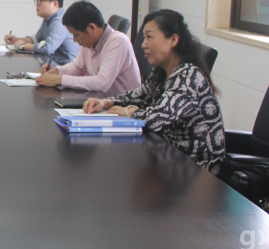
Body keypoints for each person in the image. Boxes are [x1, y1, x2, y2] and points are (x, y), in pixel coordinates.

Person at [82, 9, 226, 175]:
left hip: (195, 169)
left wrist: (129, 111)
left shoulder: (189, 76)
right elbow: (138, 96)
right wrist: (107, 102)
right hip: (168, 155)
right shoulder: (162, 71)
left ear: (173, 40)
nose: (143, 44)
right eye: (144, 37)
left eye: (150, 37)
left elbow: (157, 118)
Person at [35, 0, 141, 94]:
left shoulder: (118, 41)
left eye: (76, 35)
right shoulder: (90, 42)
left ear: (92, 28)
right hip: (102, 101)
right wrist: (57, 71)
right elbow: (78, 67)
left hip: (123, 105)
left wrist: (59, 80)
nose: (74, 40)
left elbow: (102, 83)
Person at [4, 0, 79, 66]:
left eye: (41, 0)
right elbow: (37, 39)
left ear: (54, 4)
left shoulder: (60, 20)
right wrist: (16, 40)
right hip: (55, 66)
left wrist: (23, 45)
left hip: (68, 69)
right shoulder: (48, 18)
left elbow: (48, 48)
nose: (37, 4)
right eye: (37, 0)